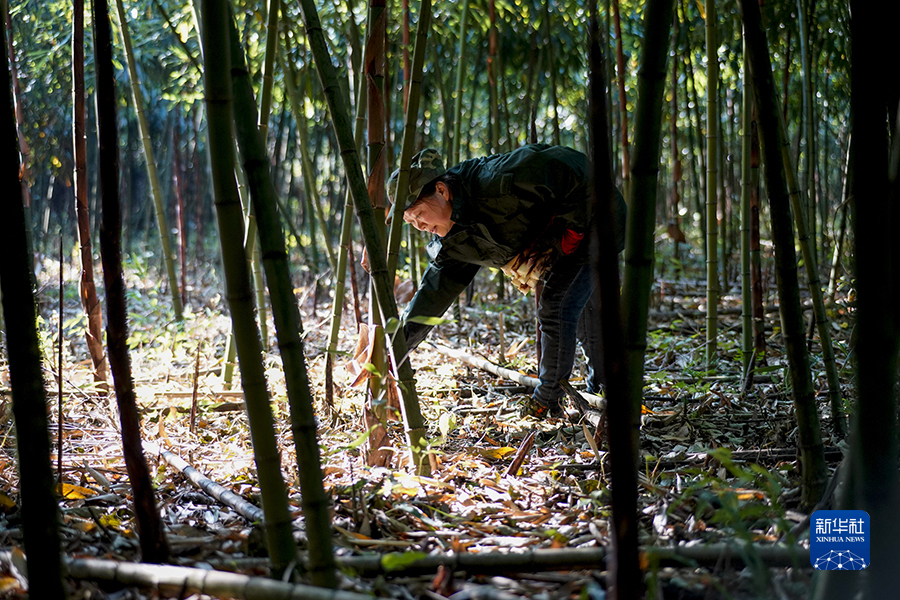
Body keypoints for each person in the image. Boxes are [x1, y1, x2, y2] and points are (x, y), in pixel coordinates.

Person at [388, 143, 626, 418]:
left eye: (419, 214)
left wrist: (565, 236)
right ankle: (603, 390)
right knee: (580, 306)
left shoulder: (498, 181)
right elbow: (431, 298)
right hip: (561, 242)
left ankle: (546, 401)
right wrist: (395, 351)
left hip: (597, 222)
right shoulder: (452, 244)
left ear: (441, 190)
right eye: (410, 221)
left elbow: (574, 168)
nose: (419, 225)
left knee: (556, 306)